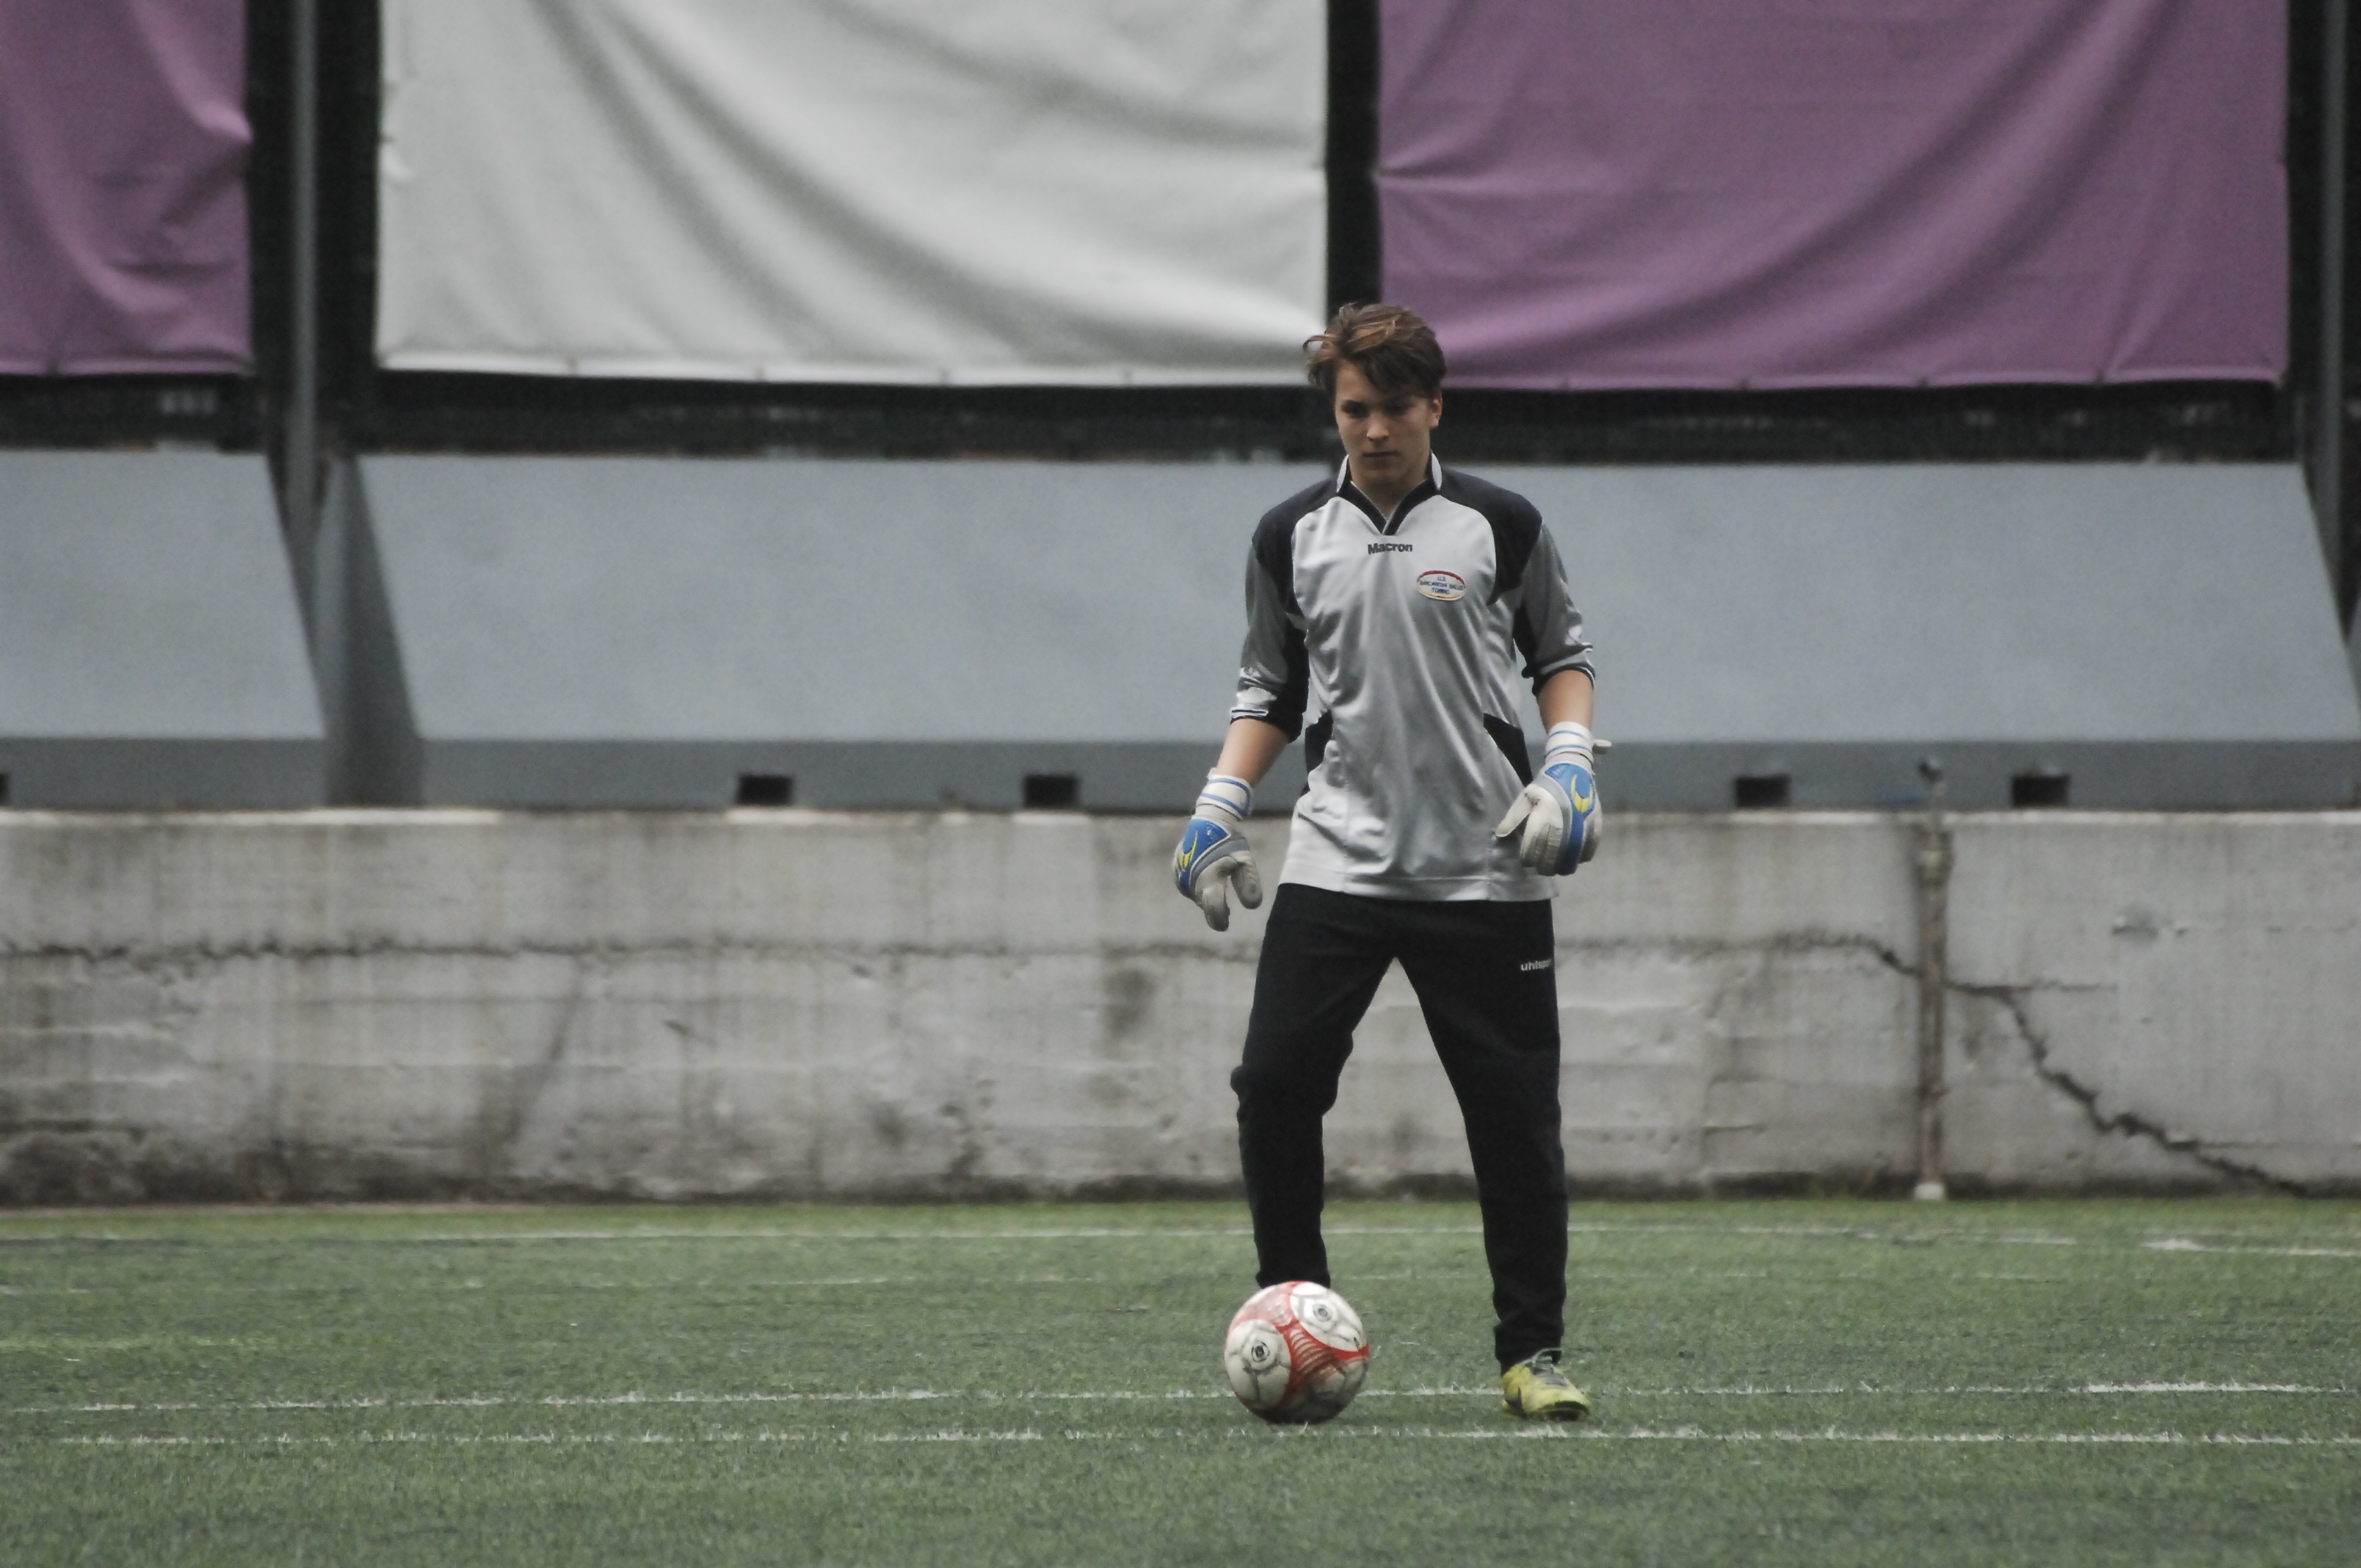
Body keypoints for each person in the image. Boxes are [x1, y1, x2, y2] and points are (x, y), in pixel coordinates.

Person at [1170, 302, 1600, 1422]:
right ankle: (1293, 1311)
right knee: (1273, 1089)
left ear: (1434, 408)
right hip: (1338, 863)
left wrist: (1568, 765)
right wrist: (1220, 803)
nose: (1372, 430)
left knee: (1514, 1120)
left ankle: (1532, 1356)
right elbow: (1269, 687)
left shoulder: (1501, 524)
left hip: (1485, 868)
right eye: (1354, 409)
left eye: (1394, 408)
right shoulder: (1290, 535)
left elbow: (1562, 656)